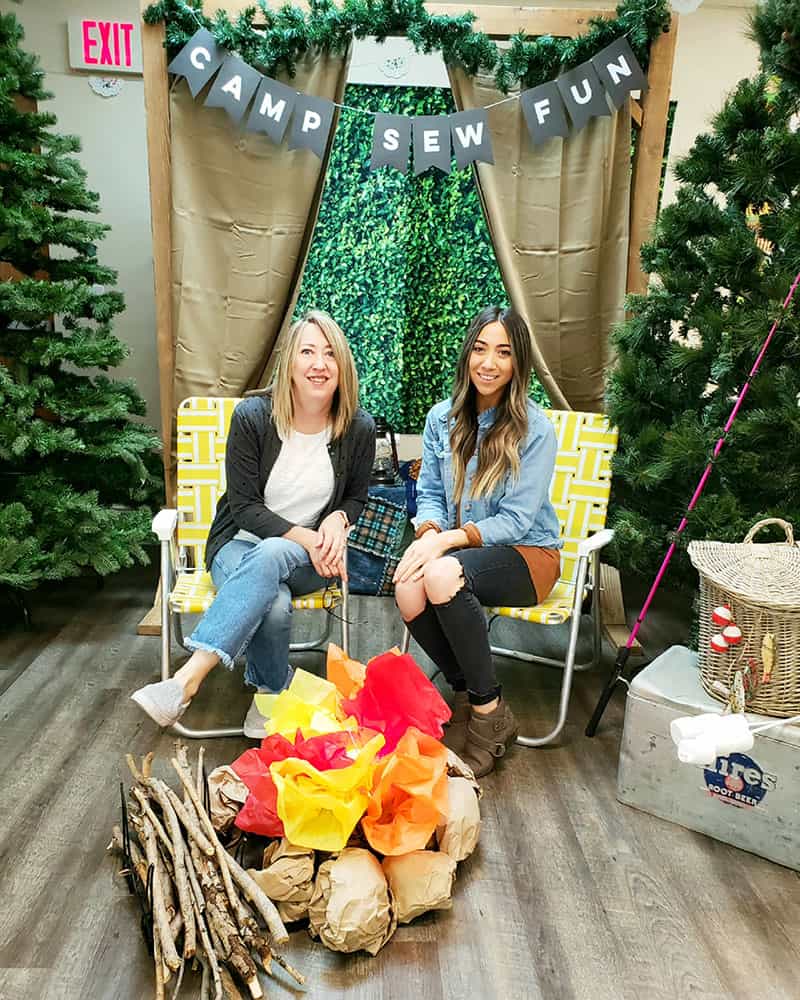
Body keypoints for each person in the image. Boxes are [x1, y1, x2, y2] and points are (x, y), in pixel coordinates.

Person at [132, 310, 376, 737]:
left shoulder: (357, 428)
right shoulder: (254, 418)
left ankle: (186, 680)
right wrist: (304, 534)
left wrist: (339, 518)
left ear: (343, 366)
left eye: (329, 354)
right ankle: (269, 695)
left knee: (277, 556)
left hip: (311, 560)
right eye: (307, 352)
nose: (319, 364)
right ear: (289, 364)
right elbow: (244, 508)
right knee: (275, 599)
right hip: (238, 547)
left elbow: (357, 496)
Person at [393, 306, 561, 777]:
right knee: (407, 585)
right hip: (462, 549)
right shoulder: (440, 420)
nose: (489, 363)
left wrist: (445, 543)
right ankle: (466, 688)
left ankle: (488, 713)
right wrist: (428, 532)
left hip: (529, 554)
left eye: (503, 353)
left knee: (442, 573)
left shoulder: (535, 428)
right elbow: (427, 494)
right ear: (468, 355)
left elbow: (517, 519)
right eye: (481, 349)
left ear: (517, 364)